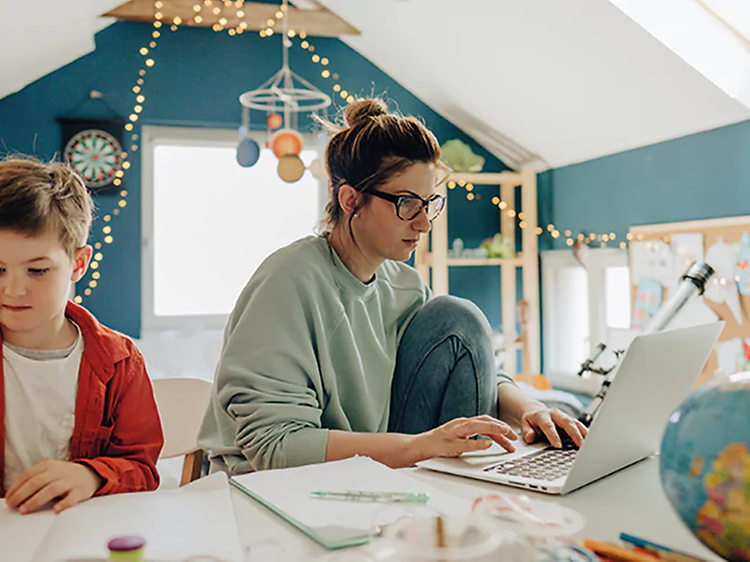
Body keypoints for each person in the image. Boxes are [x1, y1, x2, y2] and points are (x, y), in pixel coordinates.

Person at [199, 98, 587, 474]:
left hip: (370, 466)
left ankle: (467, 494)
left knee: (458, 317)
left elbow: (468, 357)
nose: (423, 223)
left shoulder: (402, 284)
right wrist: (419, 446)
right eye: (406, 203)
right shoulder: (288, 280)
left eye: (429, 202)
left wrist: (528, 408)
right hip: (270, 484)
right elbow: (275, 446)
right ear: (350, 200)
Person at [0, 157, 163, 514]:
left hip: (74, 532)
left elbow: (142, 468)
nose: (13, 289)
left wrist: (91, 476)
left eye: (37, 270)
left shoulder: (120, 361)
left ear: (78, 264)